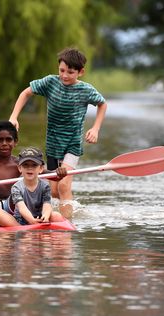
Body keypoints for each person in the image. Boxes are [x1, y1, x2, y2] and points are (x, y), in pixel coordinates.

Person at [9, 47, 108, 218]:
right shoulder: (50, 82)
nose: (65, 75)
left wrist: (95, 128)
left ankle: (65, 224)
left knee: (63, 185)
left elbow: (102, 104)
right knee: (54, 190)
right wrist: (14, 117)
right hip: (53, 143)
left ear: (80, 72)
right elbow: (26, 93)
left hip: (73, 143)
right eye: (62, 70)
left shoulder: (86, 90)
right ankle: (55, 216)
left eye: (70, 72)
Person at [0, 121, 66, 226]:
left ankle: (15, 221)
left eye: (8, 140)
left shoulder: (21, 164)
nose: (4, 143)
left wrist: (59, 172)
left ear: (15, 142)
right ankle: (16, 225)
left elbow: (51, 175)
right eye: (0, 140)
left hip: (12, 205)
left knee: (27, 205)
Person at [0, 147, 64, 226]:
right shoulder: (16, 187)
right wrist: (32, 221)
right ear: (20, 168)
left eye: (34, 165)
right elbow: (21, 207)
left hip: (39, 219)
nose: (30, 168)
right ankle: (20, 229)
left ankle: (44, 228)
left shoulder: (45, 186)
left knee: (56, 215)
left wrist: (45, 217)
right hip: (21, 221)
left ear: (41, 169)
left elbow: (47, 205)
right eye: (25, 165)